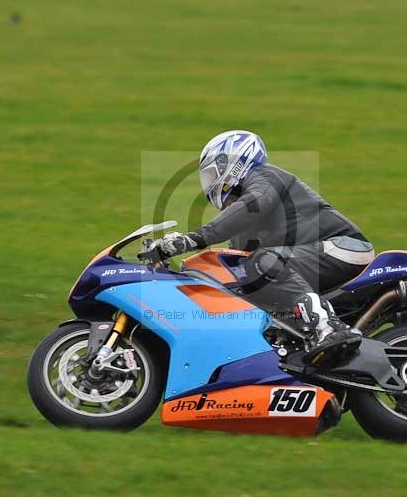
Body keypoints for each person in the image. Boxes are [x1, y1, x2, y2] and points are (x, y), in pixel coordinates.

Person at [159, 130, 375, 366]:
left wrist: (193, 239)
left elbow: (253, 205)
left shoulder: (264, 177)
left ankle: (330, 328)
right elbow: (237, 263)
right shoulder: (245, 222)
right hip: (311, 257)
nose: (209, 186)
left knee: (265, 261)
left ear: (233, 162)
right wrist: (189, 276)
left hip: (342, 247)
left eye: (212, 175)